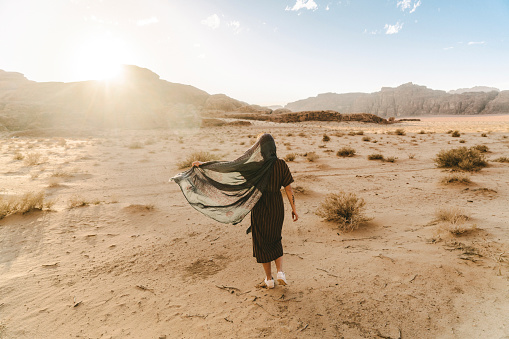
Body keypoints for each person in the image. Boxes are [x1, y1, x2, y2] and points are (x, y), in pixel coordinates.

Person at [190, 133, 298, 289]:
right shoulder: (281, 164)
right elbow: (288, 189)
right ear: (273, 148)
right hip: (277, 206)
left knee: (262, 242)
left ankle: (269, 279)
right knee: (275, 238)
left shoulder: (255, 166)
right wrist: (294, 209)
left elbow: (230, 166)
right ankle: (280, 272)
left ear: (260, 149)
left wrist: (205, 165)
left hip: (260, 206)